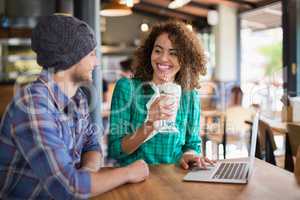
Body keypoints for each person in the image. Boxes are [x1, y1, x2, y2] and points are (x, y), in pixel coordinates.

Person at [0, 15, 148, 199]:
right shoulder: (32, 105)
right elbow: (68, 188)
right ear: (71, 57)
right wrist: (129, 172)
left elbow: (92, 146)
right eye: (92, 54)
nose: (96, 62)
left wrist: (85, 173)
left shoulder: (78, 99)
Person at [108, 20, 214, 169]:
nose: (163, 58)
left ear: (186, 59)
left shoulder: (189, 95)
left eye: (173, 53)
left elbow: (192, 144)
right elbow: (115, 151)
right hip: (133, 177)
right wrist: (149, 126)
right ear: (149, 52)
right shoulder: (127, 88)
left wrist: (190, 154)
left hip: (174, 177)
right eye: (158, 50)